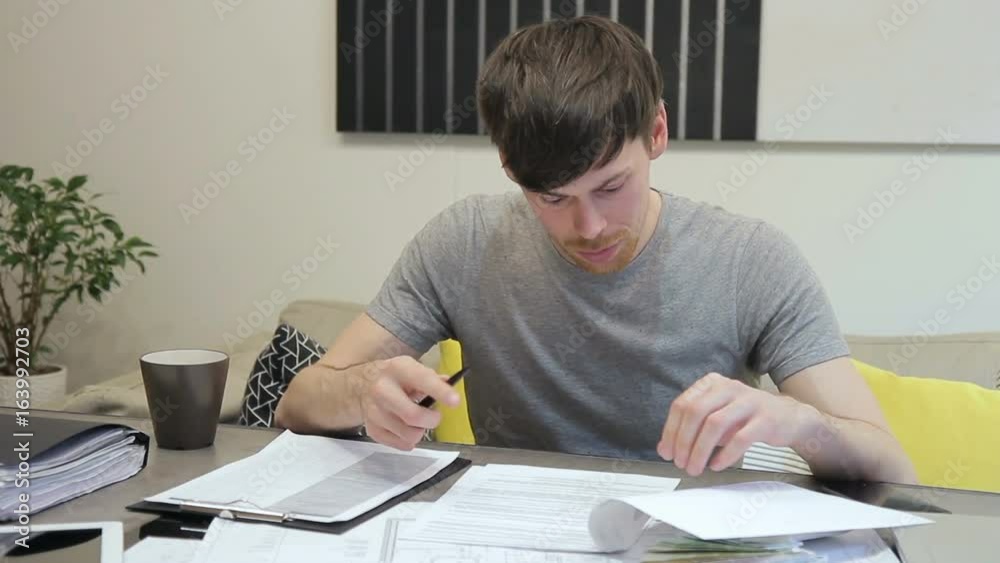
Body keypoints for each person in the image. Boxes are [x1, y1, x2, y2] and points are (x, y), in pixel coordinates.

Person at [276, 16, 917, 483]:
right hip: (509, 531)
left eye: (612, 186)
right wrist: (365, 391)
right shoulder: (463, 242)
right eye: (553, 198)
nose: (588, 226)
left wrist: (792, 420)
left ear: (658, 131)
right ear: (507, 166)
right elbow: (299, 400)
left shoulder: (752, 261)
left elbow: (893, 465)